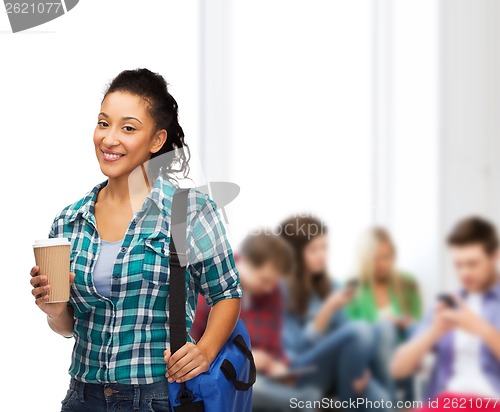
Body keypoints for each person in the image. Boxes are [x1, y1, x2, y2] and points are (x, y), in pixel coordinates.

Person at [28, 68, 242, 412]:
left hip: (158, 396)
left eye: (128, 128)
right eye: (103, 123)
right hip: (83, 397)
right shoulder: (69, 221)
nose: (109, 139)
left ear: (156, 141)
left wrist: (204, 350)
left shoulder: (189, 211)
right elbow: (67, 325)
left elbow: (226, 293)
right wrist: (54, 312)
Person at [191, 231, 321, 412]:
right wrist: (248, 358)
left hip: (264, 374)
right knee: (251, 384)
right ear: (244, 262)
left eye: (274, 282)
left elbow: (274, 343)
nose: (269, 288)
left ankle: (302, 399)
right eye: (265, 280)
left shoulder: (272, 292)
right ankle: (303, 401)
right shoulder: (211, 288)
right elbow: (194, 345)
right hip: (222, 372)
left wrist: (278, 366)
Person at [279, 216, 390, 412]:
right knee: (362, 330)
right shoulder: (280, 292)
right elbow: (296, 352)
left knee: (381, 401)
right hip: (303, 372)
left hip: (342, 370)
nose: (322, 255)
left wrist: (360, 368)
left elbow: (350, 338)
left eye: (325, 248)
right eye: (314, 249)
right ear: (294, 254)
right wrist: (327, 309)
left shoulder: (332, 286)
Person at [391, 216, 500, 409]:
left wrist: (481, 329)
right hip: (446, 401)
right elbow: (397, 369)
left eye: (473, 264)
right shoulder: (448, 304)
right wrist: (434, 331)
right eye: (458, 265)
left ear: (495, 256)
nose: (464, 273)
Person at [347, 227, 422, 402]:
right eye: (375, 259)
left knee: (414, 329)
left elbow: (418, 320)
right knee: (385, 328)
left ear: (393, 256)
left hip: (403, 350)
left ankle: (412, 402)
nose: (381, 264)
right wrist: (380, 323)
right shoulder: (353, 288)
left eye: (386, 257)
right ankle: (391, 401)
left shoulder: (407, 282)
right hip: (373, 356)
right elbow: (352, 332)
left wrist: (404, 322)